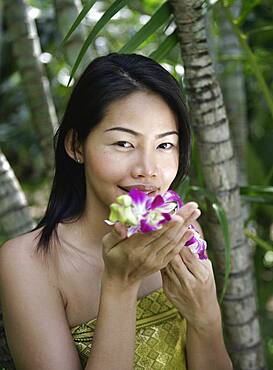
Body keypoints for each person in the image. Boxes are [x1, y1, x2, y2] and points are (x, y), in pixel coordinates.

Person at [0, 53, 233, 370]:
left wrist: (206, 318)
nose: (148, 170)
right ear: (76, 146)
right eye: (124, 144)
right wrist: (120, 286)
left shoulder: (182, 238)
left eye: (164, 145)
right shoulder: (27, 263)